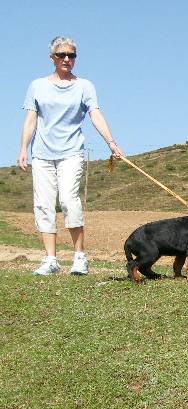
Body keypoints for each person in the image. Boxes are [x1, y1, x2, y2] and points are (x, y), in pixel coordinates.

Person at [17, 36, 124, 276]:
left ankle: (79, 257)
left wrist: (111, 142)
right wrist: (23, 148)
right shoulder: (37, 86)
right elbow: (31, 119)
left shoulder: (84, 86)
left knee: (68, 200)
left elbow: (95, 114)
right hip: (42, 154)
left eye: (71, 55)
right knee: (44, 204)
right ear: (52, 58)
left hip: (71, 152)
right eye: (62, 55)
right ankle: (50, 260)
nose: (67, 59)